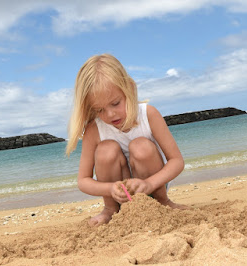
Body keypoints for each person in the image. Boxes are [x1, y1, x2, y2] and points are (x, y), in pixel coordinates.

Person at [66, 54, 186, 226]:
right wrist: (110, 189)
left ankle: (162, 202)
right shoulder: (94, 129)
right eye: (99, 110)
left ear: (129, 88)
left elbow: (177, 161)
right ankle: (110, 210)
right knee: (106, 149)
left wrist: (149, 184)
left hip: (151, 189)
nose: (110, 114)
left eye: (115, 103)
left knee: (141, 146)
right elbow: (83, 181)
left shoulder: (148, 114)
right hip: (118, 196)